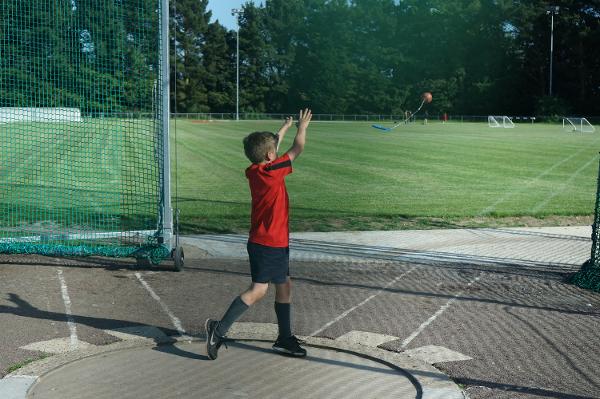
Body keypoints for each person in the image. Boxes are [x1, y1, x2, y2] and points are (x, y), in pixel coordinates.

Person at [205, 109, 313, 360]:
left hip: (266, 242)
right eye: (273, 149)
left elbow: (270, 149)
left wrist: (284, 128)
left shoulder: (254, 170)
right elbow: (297, 149)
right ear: (270, 155)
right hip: (269, 243)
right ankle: (218, 330)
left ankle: (284, 339)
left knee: (284, 285)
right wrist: (302, 127)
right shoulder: (274, 172)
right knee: (259, 290)